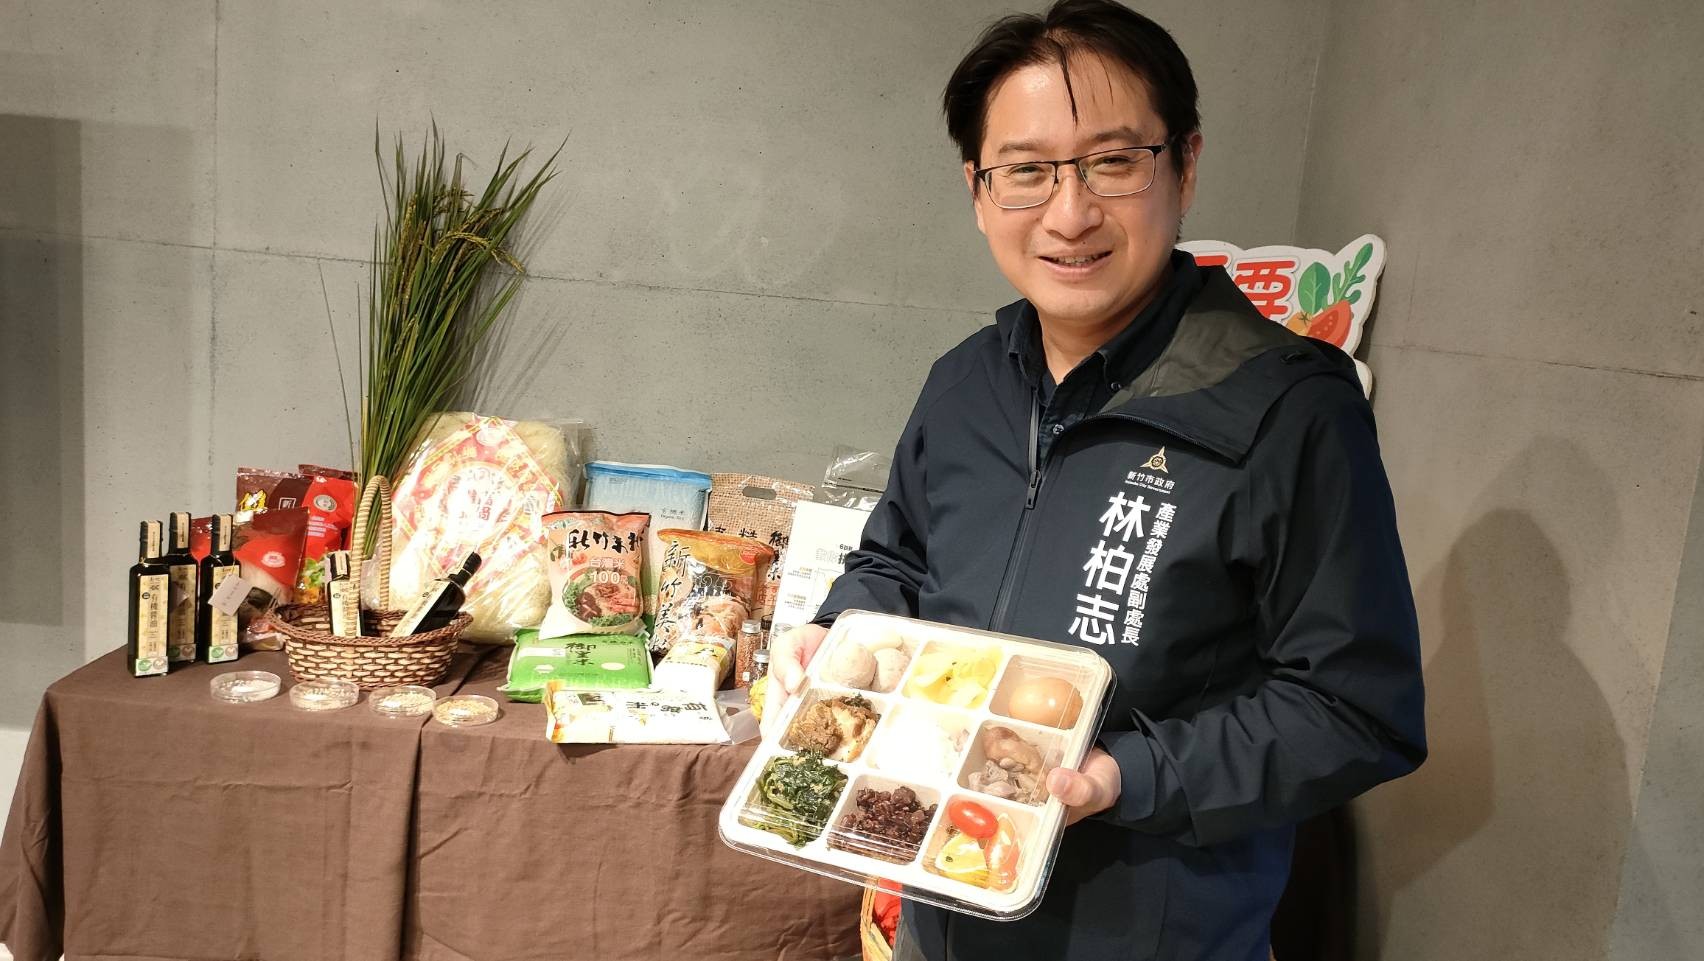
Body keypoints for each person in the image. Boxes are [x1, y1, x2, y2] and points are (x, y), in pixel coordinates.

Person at [765, 2, 1427, 959]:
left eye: (1113, 162)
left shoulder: (1289, 410)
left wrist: (1126, 774)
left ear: (1185, 165)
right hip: (945, 911)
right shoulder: (965, 383)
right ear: (978, 190)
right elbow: (897, 561)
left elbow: (1355, 709)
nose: (1069, 213)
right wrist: (839, 631)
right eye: (1027, 170)